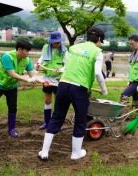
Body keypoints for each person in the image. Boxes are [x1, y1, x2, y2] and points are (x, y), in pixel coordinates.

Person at [38, 27, 108, 160]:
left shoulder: (74, 48)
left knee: (57, 117)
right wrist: (104, 90)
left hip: (63, 85)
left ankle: (44, 151)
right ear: (99, 39)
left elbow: (67, 67)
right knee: (81, 120)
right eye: (100, 41)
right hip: (79, 89)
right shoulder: (97, 52)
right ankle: (76, 153)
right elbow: (98, 73)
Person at [35, 31, 68, 130]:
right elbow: (41, 58)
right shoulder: (46, 48)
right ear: (51, 42)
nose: (58, 43)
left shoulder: (64, 50)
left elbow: (67, 65)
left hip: (59, 79)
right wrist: (38, 64)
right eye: (56, 42)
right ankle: (47, 122)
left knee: (58, 101)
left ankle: (56, 123)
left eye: (59, 41)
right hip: (47, 78)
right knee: (47, 99)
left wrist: (61, 69)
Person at [119, 35, 138, 129]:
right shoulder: (134, 54)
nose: (131, 45)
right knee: (137, 102)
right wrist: (129, 80)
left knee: (124, 96)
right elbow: (131, 69)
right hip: (133, 81)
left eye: (133, 43)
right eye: (130, 44)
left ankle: (117, 119)